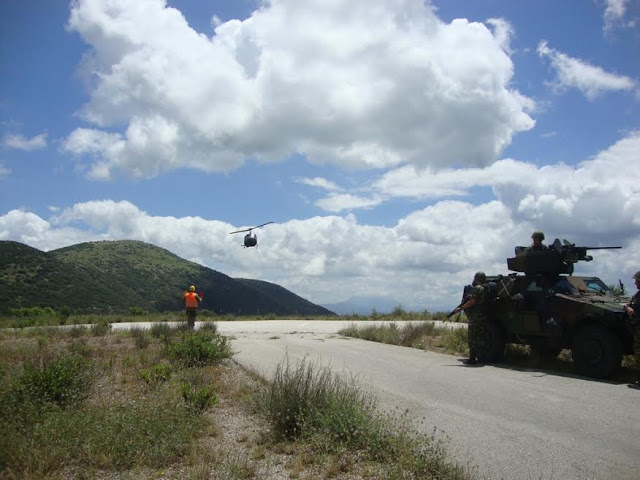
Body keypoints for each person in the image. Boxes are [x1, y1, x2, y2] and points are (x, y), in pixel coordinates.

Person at [452, 271, 490, 365]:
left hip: (475, 317)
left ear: (477, 279)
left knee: (473, 338)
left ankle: (472, 358)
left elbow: (472, 301)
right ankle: (482, 358)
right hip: (484, 316)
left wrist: (461, 308)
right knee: (482, 338)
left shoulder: (477, 288)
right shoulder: (487, 288)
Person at [623, 271, 640, 388]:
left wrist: (627, 308)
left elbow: (633, 312)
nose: (635, 282)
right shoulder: (637, 295)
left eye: (637, 280)